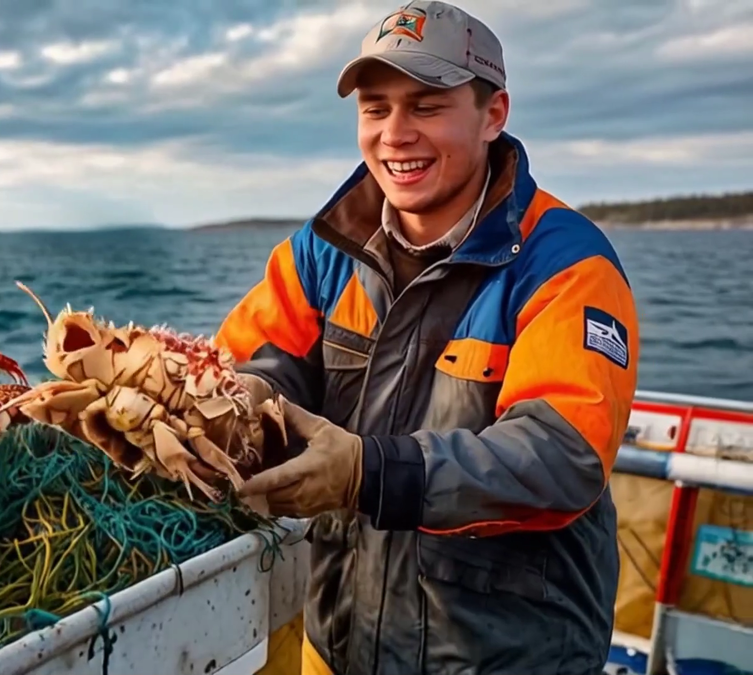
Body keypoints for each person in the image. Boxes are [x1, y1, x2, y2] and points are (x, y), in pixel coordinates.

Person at [215, 2, 640, 674]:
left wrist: (367, 471)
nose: (395, 134)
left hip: (505, 658)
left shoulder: (565, 265)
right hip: (339, 644)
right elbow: (258, 359)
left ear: (493, 113)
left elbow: (562, 456)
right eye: (375, 107)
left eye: (427, 106)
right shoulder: (321, 250)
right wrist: (242, 396)